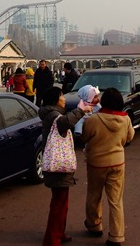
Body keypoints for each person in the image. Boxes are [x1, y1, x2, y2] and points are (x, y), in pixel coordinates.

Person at [82, 87, 135, 246]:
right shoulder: (125, 119)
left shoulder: (93, 119)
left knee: (94, 195)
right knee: (116, 200)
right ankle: (117, 236)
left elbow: (85, 137)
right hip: (117, 163)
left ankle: (94, 224)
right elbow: (129, 137)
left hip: (96, 163)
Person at [39, 86, 91, 246]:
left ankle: (59, 233)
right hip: (58, 164)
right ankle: (52, 239)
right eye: (62, 96)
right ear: (56, 99)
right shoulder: (54, 115)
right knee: (59, 203)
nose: (64, 99)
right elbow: (65, 122)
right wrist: (81, 110)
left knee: (62, 202)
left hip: (57, 164)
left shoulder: (51, 114)